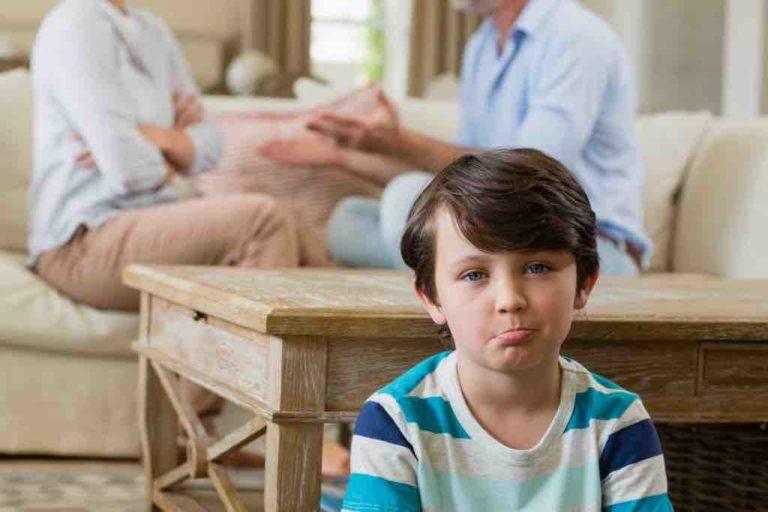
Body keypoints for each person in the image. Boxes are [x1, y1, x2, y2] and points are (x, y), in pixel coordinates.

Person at [29, 0, 348, 479]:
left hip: (149, 220)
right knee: (262, 220)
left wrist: (153, 139)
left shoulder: (151, 29)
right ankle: (212, 426)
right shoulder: (74, 24)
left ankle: (347, 423)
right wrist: (171, 142)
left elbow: (209, 144)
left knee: (298, 235)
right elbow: (125, 165)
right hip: (81, 241)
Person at [341, 149, 672, 511]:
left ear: (584, 283)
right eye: (474, 275)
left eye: (537, 268)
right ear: (432, 298)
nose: (509, 300)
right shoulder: (396, 422)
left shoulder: (619, 424)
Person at [262, 0, 650, 277]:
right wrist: (341, 157)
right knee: (349, 219)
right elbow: (465, 177)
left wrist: (398, 141)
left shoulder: (575, 37)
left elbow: (528, 169)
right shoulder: (482, 46)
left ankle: (452, 292)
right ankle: (455, 288)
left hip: (576, 246)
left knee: (406, 198)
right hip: (498, 229)